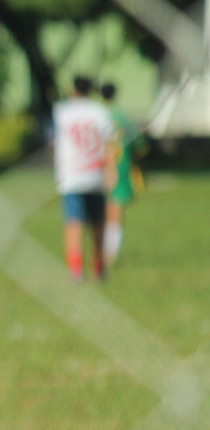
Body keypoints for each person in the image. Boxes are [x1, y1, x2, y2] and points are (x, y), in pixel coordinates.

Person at [52, 75, 116, 282]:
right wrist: (111, 171)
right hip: (95, 172)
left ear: (73, 90)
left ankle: (76, 270)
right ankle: (99, 267)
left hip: (72, 175)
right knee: (99, 223)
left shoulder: (61, 111)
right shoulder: (100, 112)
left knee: (74, 223)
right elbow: (110, 143)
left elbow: (52, 141)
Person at [100, 82, 147, 266]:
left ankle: (103, 250)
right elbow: (140, 145)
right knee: (116, 211)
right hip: (121, 165)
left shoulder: (97, 115)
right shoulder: (123, 117)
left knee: (103, 211)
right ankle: (112, 251)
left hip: (100, 168)